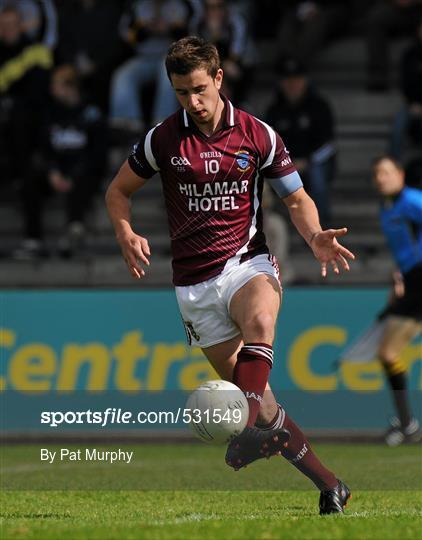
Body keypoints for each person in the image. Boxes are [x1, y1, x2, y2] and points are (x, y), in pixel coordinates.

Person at [105, 36, 354, 514]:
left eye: (199, 89)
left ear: (219, 78)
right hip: (193, 288)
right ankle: (329, 484)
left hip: (246, 262)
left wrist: (316, 234)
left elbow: (296, 199)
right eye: (181, 92)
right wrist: (123, 231)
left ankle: (244, 432)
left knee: (261, 325)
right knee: (261, 411)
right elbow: (119, 191)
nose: (192, 102)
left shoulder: (258, 135)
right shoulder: (163, 139)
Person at [16, 65, 107, 258]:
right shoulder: (50, 113)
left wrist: (73, 176)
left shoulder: (92, 114)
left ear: (70, 87)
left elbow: (97, 154)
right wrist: (53, 171)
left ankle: (74, 229)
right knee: (30, 181)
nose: (52, 90)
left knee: (85, 178)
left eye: (56, 85)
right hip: (57, 171)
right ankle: (33, 240)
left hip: (81, 171)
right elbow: (44, 148)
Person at [371, 156, 422, 446]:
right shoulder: (387, 209)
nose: (381, 178)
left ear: (401, 174)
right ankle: (407, 424)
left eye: (387, 172)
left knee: (388, 353)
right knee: (387, 354)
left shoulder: (413, 201)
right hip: (413, 284)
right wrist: (398, 279)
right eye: (377, 174)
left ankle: (407, 424)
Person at [264, 57, 335, 227]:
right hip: (284, 163)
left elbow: (328, 144)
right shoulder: (274, 110)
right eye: (287, 80)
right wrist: (285, 163)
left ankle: (321, 227)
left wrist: (308, 161)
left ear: (305, 81)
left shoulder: (319, 107)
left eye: (296, 80)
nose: (292, 85)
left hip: (315, 162)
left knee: (317, 176)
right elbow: (267, 143)